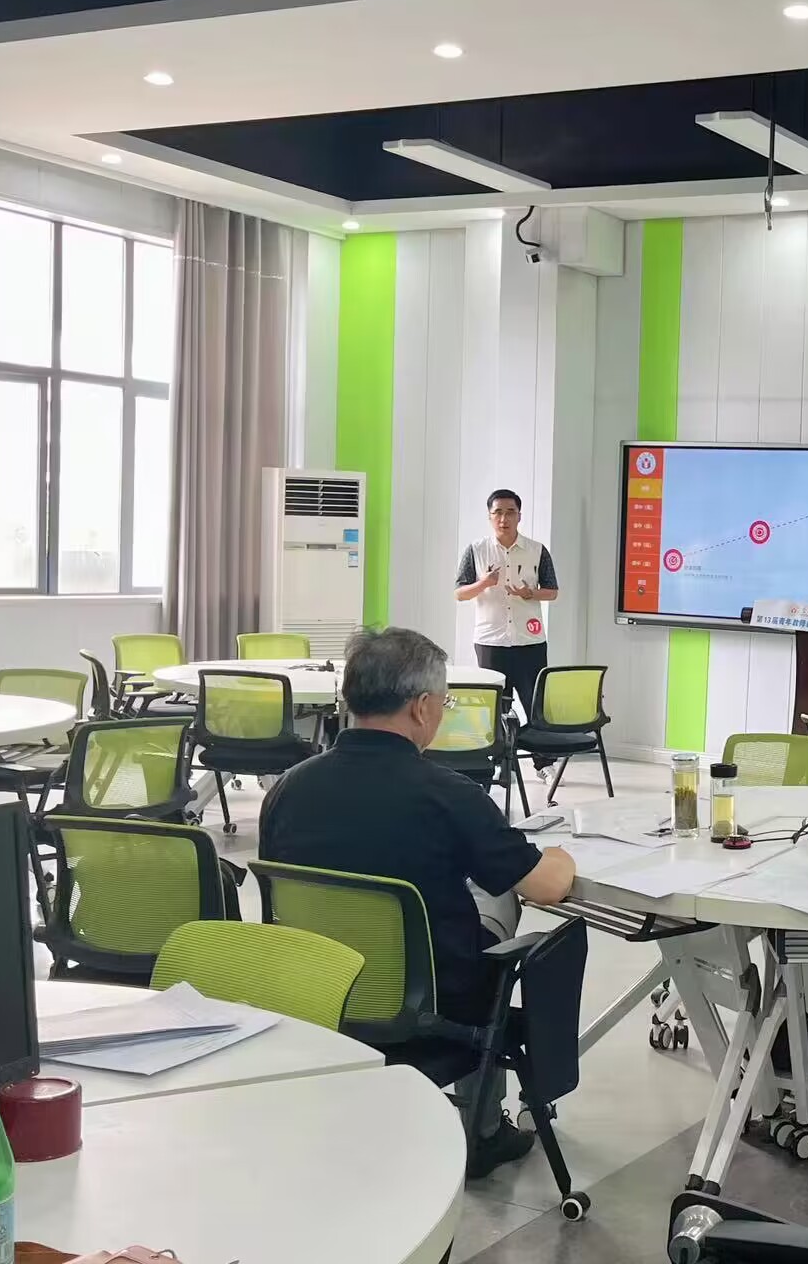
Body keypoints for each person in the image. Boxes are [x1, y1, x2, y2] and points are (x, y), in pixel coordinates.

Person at [258, 626, 575, 1177]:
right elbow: (547, 886)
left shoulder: (287, 788)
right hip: (429, 1003)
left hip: (314, 988)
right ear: (423, 707)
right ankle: (483, 1128)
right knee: (500, 897)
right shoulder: (450, 794)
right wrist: (559, 853)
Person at [455, 489, 558, 717]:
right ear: (490, 516)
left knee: (536, 707)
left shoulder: (537, 550)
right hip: (491, 642)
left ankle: (539, 742)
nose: (504, 519)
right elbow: (460, 594)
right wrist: (484, 583)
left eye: (510, 512)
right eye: (498, 512)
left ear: (519, 516)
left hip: (530, 642)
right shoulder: (476, 550)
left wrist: (530, 593)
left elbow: (552, 592)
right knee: (495, 710)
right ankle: (504, 743)